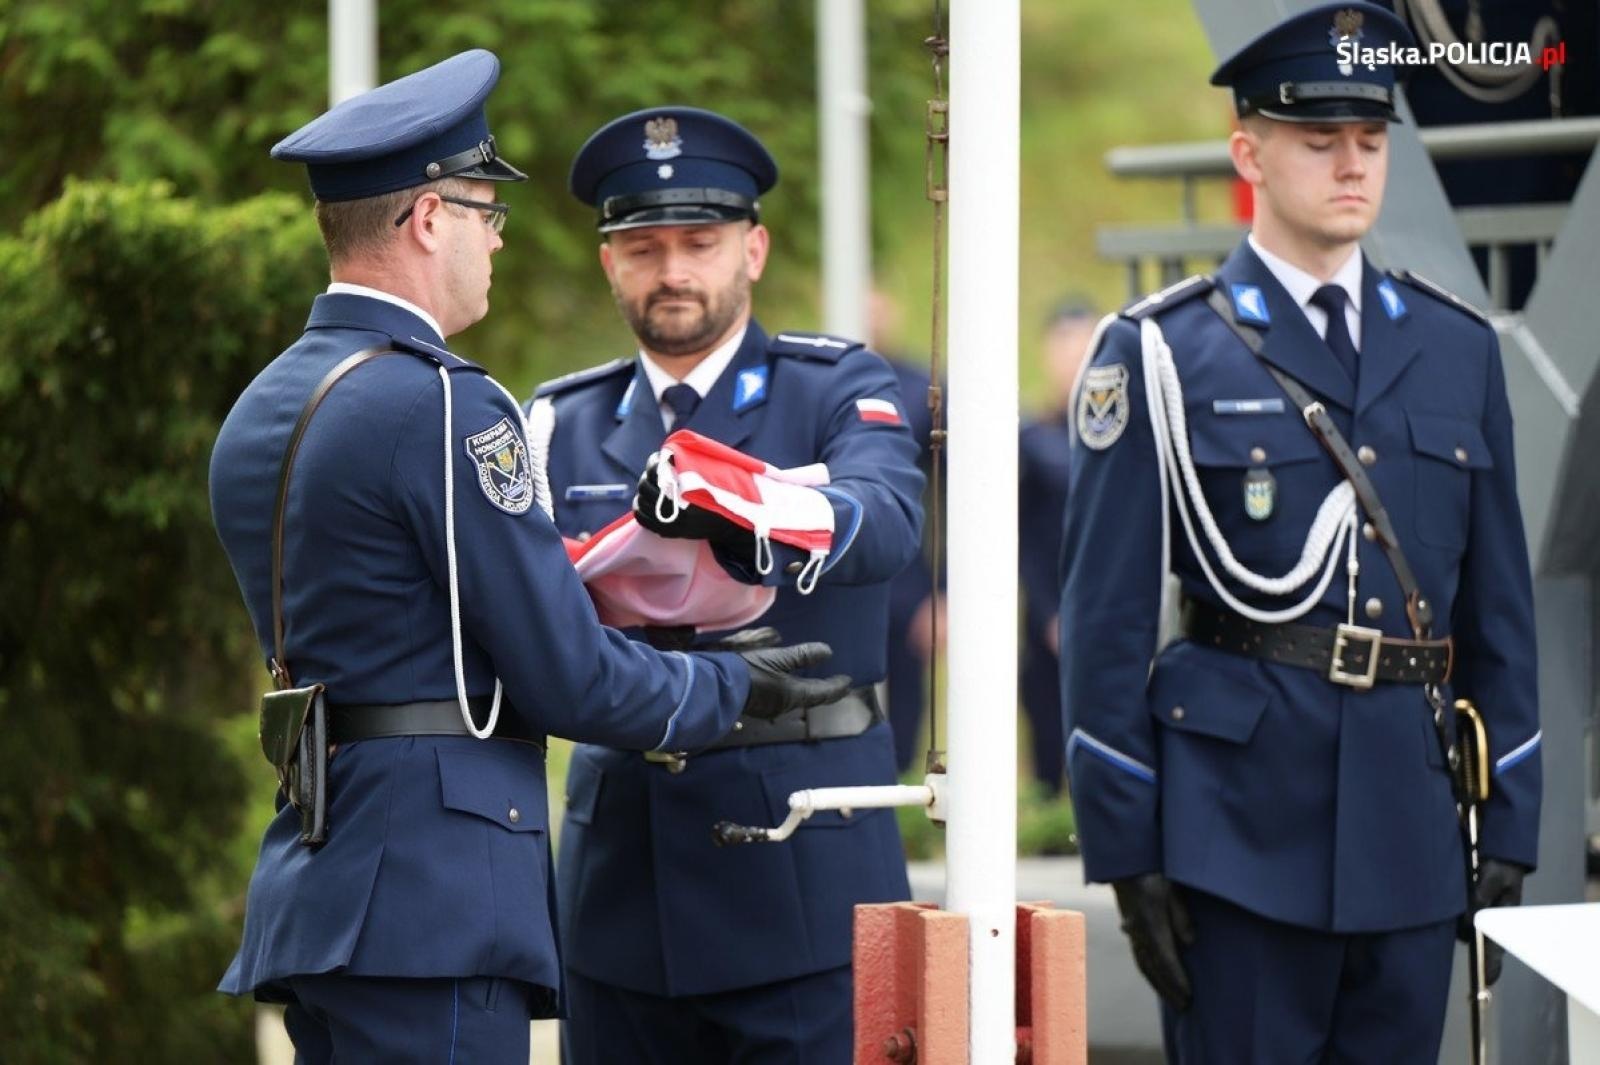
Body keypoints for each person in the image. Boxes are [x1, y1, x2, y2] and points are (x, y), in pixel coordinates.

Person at [209, 57, 845, 1063]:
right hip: (437, 900)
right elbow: (565, 674)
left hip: (325, 879)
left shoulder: (262, 408)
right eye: (483, 212)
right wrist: (729, 689)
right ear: (428, 219)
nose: (496, 238)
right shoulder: (447, 402)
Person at [1059, 5, 1541, 1061]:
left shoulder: (1459, 348)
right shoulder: (1161, 352)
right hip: (1232, 833)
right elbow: (1100, 620)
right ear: (1249, 154)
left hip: (1411, 830)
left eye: (1368, 141)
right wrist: (1125, 849)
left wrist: (1506, 817)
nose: (1350, 165)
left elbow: (1498, 609)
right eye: (1318, 141)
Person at [531, 105, 925, 1064]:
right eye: (644, 246)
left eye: (700, 242)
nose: (673, 270)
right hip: (624, 879)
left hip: (799, 865)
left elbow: (886, 519)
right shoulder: (559, 420)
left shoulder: (832, 389)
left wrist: (750, 508)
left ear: (753, 250)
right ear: (609, 262)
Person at [1018, 299, 1096, 795]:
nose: (1073, 360)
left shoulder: (1121, 438)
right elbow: (1023, 538)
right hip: (1047, 616)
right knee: (1049, 732)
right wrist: (1049, 613)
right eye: (1063, 348)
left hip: (1106, 611)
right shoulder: (1031, 438)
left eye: (1083, 347)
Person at [868, 287, 944, 774]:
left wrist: (946, 589)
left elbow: (953, 498)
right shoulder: (818, 385)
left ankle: (897, 791)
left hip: (911, 575)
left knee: (909, 696)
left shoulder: (923, 389)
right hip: (843, 575)